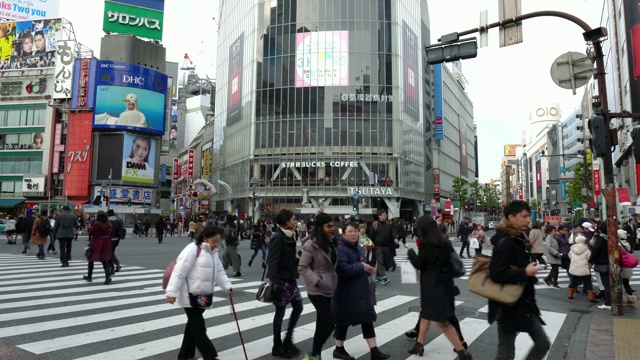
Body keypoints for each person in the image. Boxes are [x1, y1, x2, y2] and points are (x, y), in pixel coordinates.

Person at [489, 200, 550, 360]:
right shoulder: (506, 242)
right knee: (506, 353)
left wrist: (527, 271)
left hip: (522, 303)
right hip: (508, 304)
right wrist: (525, 272)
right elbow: (496, 273)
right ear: (511, 217)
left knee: (539, 344)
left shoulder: (517, 238)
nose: (528, 220)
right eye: (524, 216)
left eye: (528, 216)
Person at [407, 215, 471, 359]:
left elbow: (419, 264)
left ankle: (462, 351)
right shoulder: (444, 241)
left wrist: (411, 254)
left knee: (442, 322)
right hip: (445, 284)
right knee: (425, 314)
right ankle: (419, 344)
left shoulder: (426, 244)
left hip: (432, 287)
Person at [165, 225, 232, 360]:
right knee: (198, 327)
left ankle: (185, 355)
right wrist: (171, 292)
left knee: (193, 326)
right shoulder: (193, 249)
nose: (216, 244)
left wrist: (227, 286)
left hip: (203, 296)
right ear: (205, 238)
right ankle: (210, 356)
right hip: (189, 295)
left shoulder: (213, 253)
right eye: (214, 241)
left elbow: (219, 271)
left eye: (218, 241)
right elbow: (179, 271)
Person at [333, 222, 390, 360]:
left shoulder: (358, 247)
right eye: (350, 231)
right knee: (343, 320)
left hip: (361, 289)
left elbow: (362, 264)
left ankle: (374, 350)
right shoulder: (340, 249)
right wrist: (361, 266)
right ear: (343, 233)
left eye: (355, 231)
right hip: (346, 291)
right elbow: (343, 269)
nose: (354, 234)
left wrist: (368, 268)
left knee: (367, 319)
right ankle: (338, 349)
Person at [298, 212, 337, 360]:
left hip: (330, 287)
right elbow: (302, 267)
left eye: (333, 226)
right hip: (317, 289)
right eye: (328, 226)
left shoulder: (332, 241)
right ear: (320, 227)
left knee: (322, 323)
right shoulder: (311, 244)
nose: (332, 228)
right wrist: (318, 280)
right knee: (330, 322)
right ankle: (314, 353)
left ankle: (315, 355)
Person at [267, 209, 303, 358]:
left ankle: (288, 339)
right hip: (281, 280)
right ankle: (277, 346)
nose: (295, 222)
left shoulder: (290, 235)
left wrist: (298, 260)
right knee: (280, 312)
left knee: (298, 307)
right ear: (286, 222)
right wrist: (275, 282)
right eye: (293, 219)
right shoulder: (278, 237)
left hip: (290, 279)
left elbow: (288, 258)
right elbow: (272, 261)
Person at [367, 209, 397, 285]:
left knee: (384, 261)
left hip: (386, 246)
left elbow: (392, 232)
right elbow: (371, 235)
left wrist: (395, 238)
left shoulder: (388, 224)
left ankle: (378, 276)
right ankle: (383, 277)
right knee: (380, 261)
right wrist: (371, 244)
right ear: (379, 216)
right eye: (383, 215)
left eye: (385, 214)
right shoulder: (375, 224)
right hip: (377, 246)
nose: (385, 216)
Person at [83, 210, 113, 285]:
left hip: (97, 242)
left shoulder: (97, 224)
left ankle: (89, 276)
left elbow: (91, 232)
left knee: (91, 259)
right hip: (106, 243)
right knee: (104, 260)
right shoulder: (108, 224)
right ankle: (107, 277)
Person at [567, 234, 597, 302]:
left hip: (574, 269)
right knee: (588, 282)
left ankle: (570, 294)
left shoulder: (572, 249)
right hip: (584, 269)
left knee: (573, 281)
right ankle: (591, 297)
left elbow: (569, 256)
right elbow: (589, 258)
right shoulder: (587, 250)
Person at [590, 222, 611, 310]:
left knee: (606, 283)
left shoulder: (600, 238)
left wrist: (591, 260)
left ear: (600, 229)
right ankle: (613, 300)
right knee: (610, 283)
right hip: (612, 262)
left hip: (603, 263)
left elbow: (595, 250)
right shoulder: (611, 237)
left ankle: (608, 303)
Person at [617, 229, 637, 298]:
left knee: (620, 280)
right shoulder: (627, 242)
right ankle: (629, 292)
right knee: (625, 279)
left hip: (622, 263)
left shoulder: (619, 244)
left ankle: (624, 295)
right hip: (627, 264)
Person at [107, 209, 124, 274]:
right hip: (116, 239)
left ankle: (114, 266)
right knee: (111, 253)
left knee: (109, 253)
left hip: (109, 239)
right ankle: (114, 266)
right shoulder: (118, 220)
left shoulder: (107, 221)